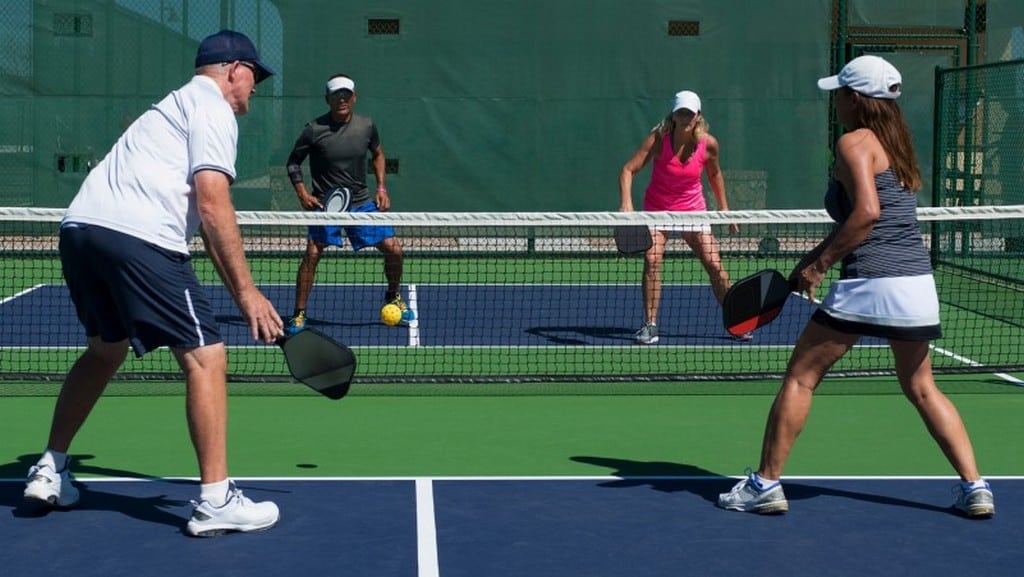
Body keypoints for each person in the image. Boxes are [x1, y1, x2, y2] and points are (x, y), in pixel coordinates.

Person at [23, 30, 284, 537]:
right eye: (254, 75)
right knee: (206, 356)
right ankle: (215, 500)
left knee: (105, 351)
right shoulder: (213, 107)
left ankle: (50, 469)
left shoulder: (171, 107)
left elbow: (205, 223)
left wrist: (240, 290)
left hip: (81, 232)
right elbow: (212, 204)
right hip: (139, 238)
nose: (255, 88)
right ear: (232, 69)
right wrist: (248, 293)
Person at [717, 55, 994, 518]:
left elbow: (867, 214)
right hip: (917, 285)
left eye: (840, 93)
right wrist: (811, 260)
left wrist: (823, 263)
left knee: (802, 378)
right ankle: (976, 487)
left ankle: (765, 484)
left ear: (857, 99)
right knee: (923, 387)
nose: (836, 101)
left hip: (872, 280)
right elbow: (866, 219)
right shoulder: (897, 144)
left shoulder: (854, 143)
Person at [283, 74, 414, 334]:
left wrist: (381, 187)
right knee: (311, 255)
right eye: (336, 95)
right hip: (326, 205)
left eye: (346, 94)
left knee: (394, 250)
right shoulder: (314, 129)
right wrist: (302, 193)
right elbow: (293, 162)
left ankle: (393, 296)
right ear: (327, 99)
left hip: (361, 202)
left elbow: (378, 154)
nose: (341, 99)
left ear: (354, 97)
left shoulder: (366, 126)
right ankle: (298, 315)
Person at [619, 90, 743, 345]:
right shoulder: (658, 140)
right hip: (657, 210)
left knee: (715, 265)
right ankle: (650, 325)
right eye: (681, 112)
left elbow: (715, 174)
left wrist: (725, 209)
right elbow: (628, 170)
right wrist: (626, 204)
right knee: (651, 260)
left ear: (698, 116)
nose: (685, 117)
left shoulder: (708, 144)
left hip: (693, 210)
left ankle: (737, 320)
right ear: (674, 115)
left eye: (690, 113)